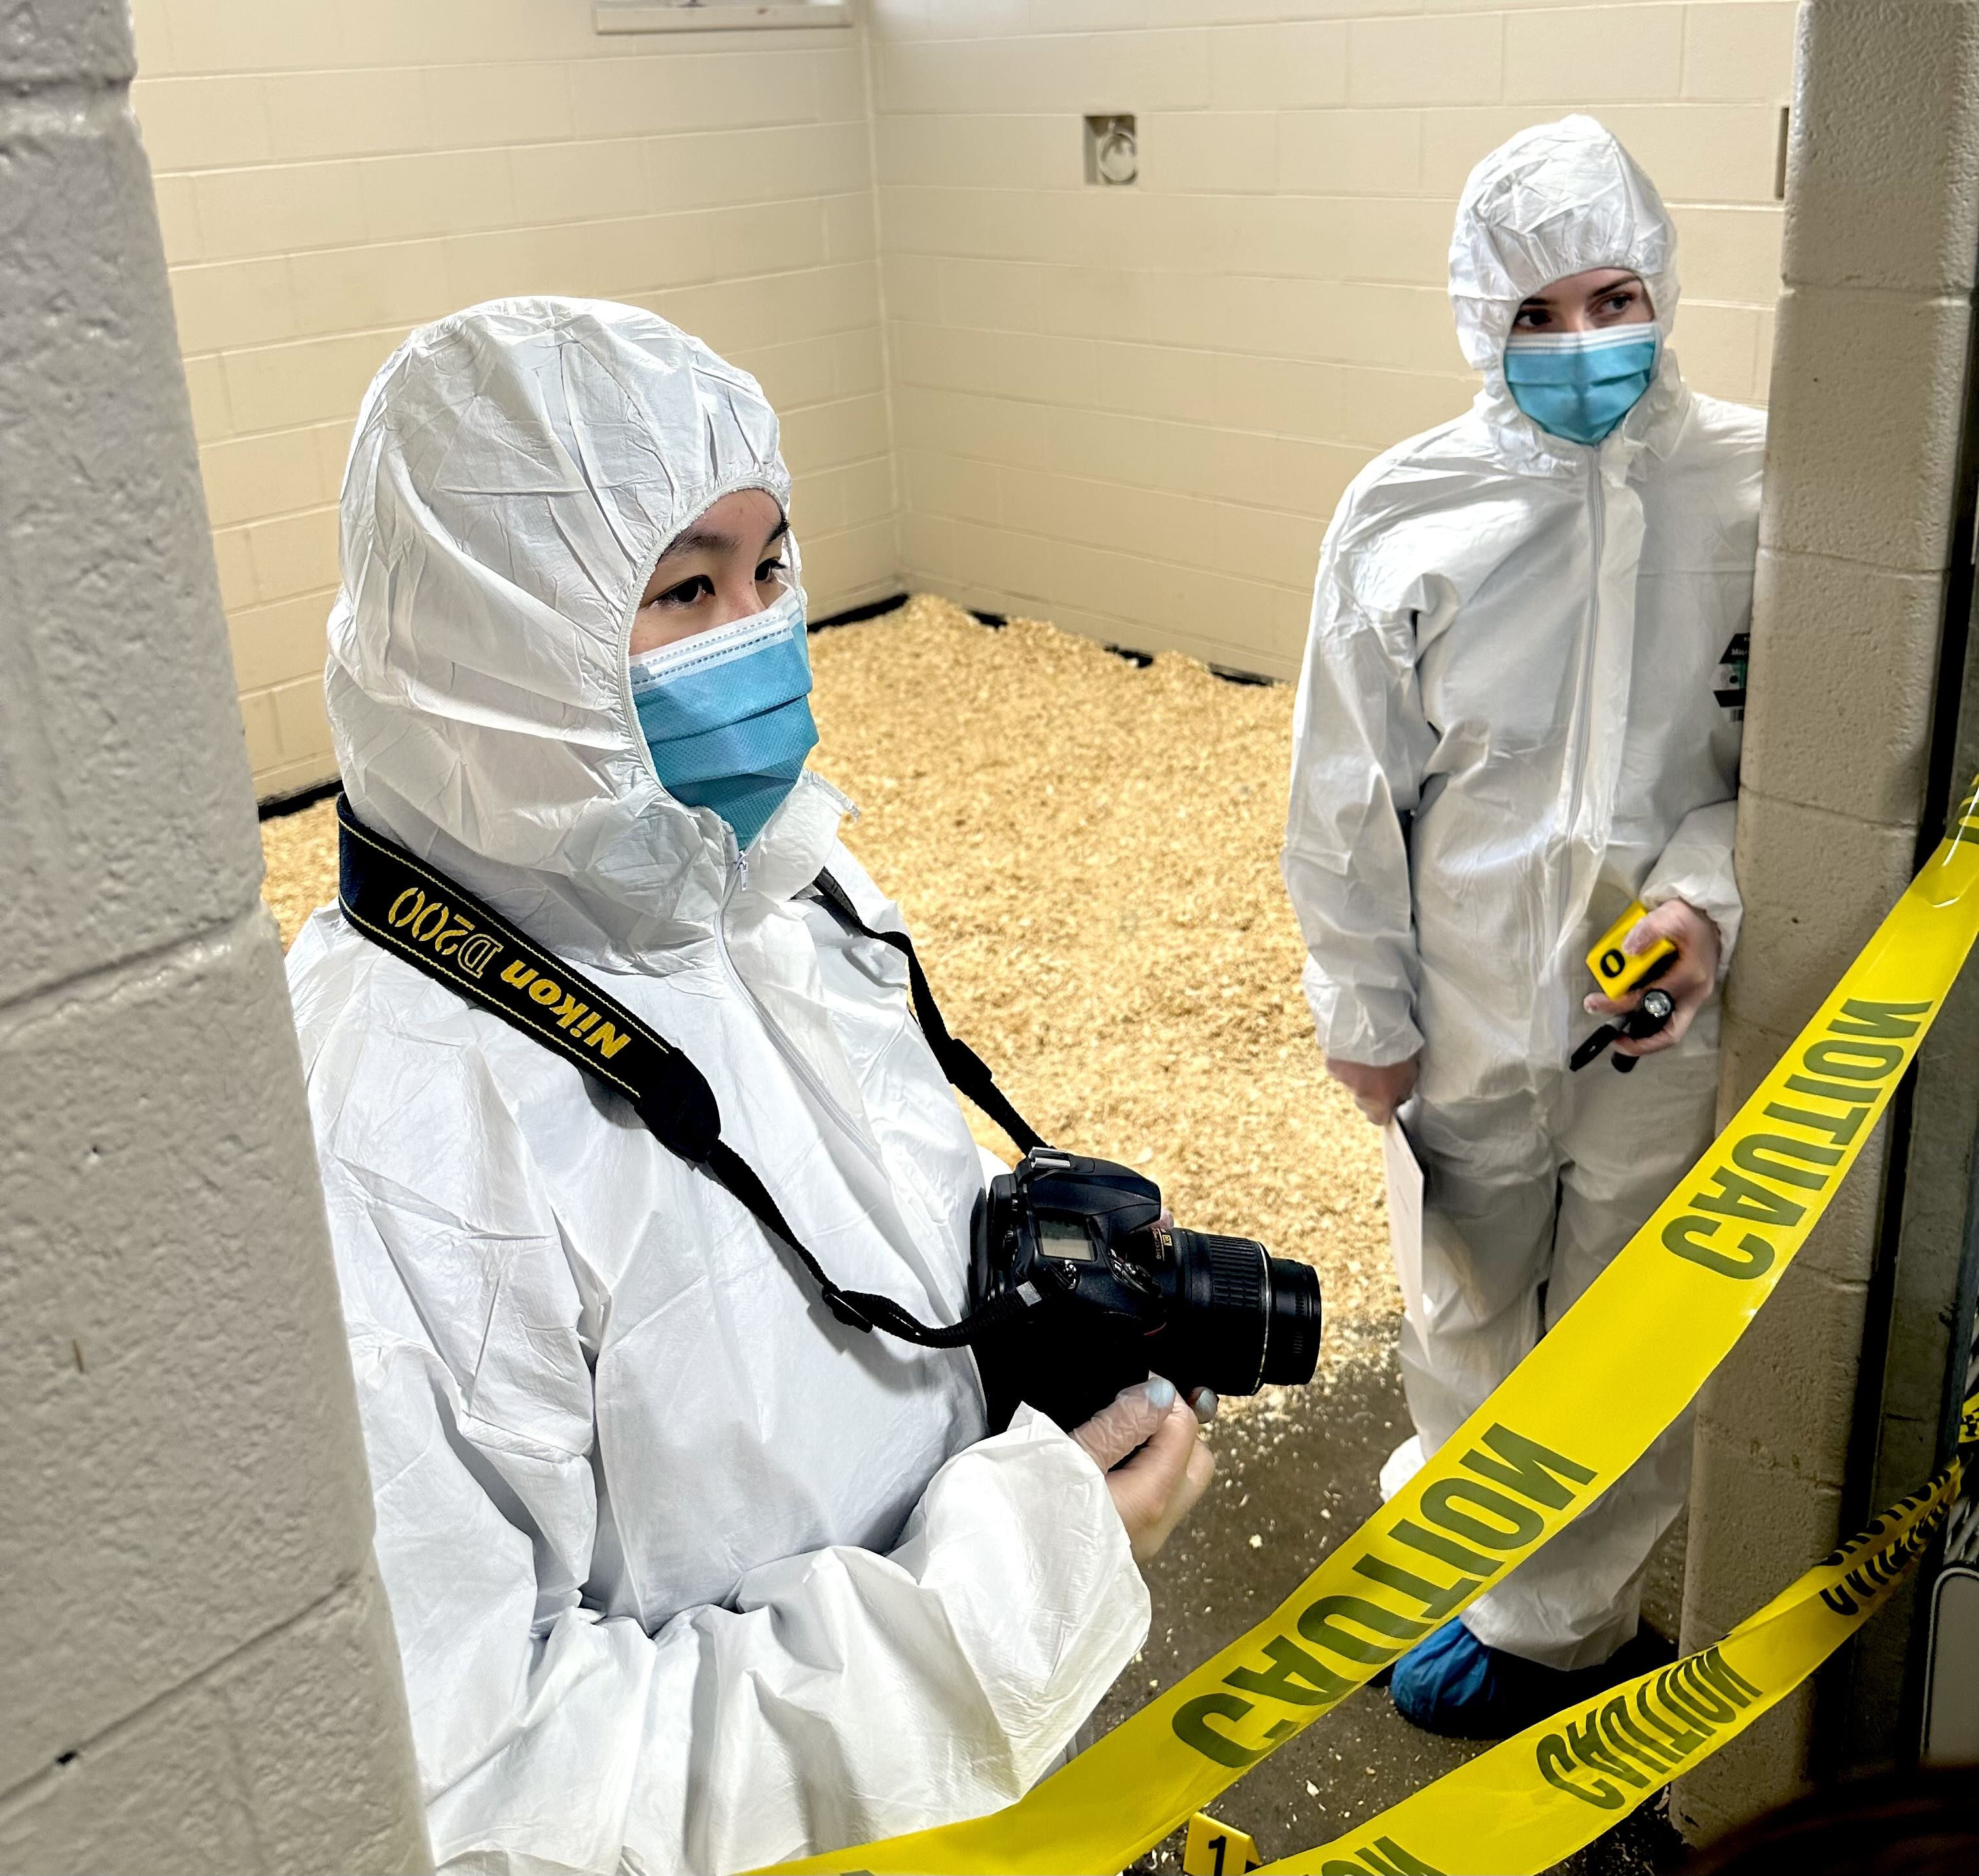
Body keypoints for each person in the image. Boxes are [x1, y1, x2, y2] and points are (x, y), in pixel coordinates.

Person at [287, 297, 1213, 1873]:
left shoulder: (766, 884)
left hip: (972, 1793)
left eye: (771, 568)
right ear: (493, 644)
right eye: (684, 590)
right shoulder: (389, 1132)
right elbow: (481, 1791)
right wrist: (995, 1613)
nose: (761, 637)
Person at [1281, 118, 1762, 1737]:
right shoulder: (1409, 507)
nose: (1581, 342)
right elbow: (1346, 788)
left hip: (1662, 1013)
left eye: (1613, 298)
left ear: (1664, 287)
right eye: (1536, 314)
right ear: (1479, 320)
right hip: (1469, 996)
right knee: (1465, 1293)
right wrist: (1366, 1011)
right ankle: (1459, 1539)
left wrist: (1705, 895)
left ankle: (1556, 1632)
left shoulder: (1759, 488)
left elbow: (1803, 764)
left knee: (1624, 1310)